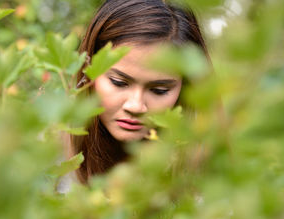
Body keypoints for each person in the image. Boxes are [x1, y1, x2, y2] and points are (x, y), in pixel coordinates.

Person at [70, 0, 209, 184]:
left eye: (159, 90)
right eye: (118, 82)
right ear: (88, 67)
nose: (135, 106)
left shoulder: (205, 172)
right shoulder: (45, 153)